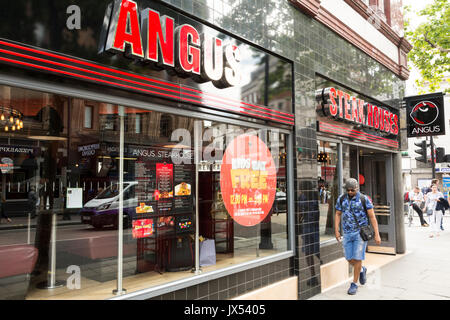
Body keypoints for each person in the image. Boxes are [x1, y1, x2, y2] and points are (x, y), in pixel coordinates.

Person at [335, 178, 381, 295]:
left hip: (360, 234)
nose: (350, 192)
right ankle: (361, 269)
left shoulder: (363, 199)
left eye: (352, 190)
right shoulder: (341, 199)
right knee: (349, 258)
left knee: (357, 257)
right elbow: (338, 214)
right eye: (348, 190)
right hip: (347, 233)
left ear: (357, 189)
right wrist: (336, 230)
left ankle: (354, 284)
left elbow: (372, 217)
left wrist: (377, 234)